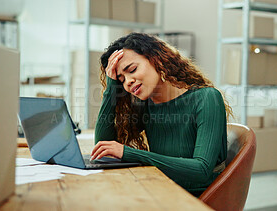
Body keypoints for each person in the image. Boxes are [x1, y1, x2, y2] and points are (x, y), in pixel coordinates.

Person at [90, 32, 232, 197]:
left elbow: (201, 170)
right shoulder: (146, 106)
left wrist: (128, 152)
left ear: (155, 59)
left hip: (196, 200)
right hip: (161, 191)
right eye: (121, 79)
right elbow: (103, 146)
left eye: (132, 70)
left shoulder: (207, 98)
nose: (128, 81)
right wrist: (111, 88)